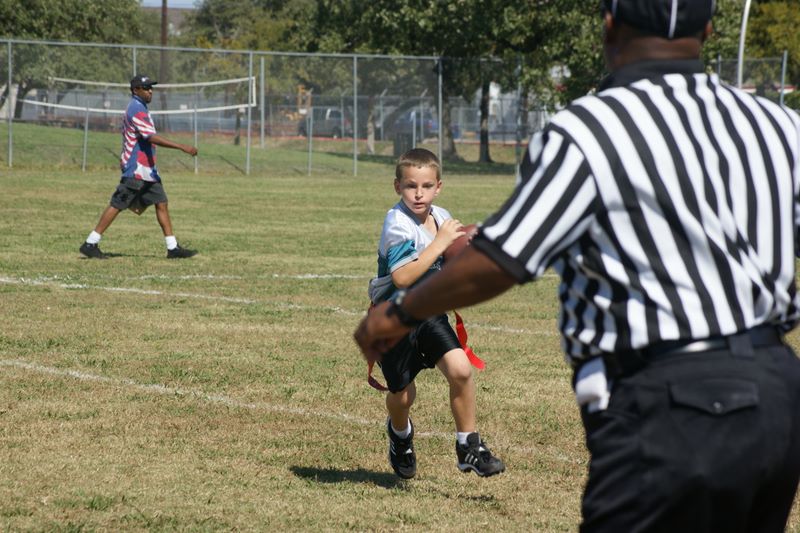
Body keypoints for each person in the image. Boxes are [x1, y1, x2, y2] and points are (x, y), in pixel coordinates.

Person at [355, 1, 800, 531]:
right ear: (707, 29)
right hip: (778, 393)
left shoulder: (590, 128)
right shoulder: (780, 125)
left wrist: (398, 313)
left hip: (664, 392)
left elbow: (502, 259)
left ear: (609, 27)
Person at [367, 147, 505, 479]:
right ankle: (400, 435)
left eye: (427, 186)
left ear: (438, 187)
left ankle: (468, 446)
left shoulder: (442, 217)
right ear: (397, 186)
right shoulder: (397, 223)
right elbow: (402, 277)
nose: (419, 193)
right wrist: (441, 244)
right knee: (402, 396)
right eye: (411, 185)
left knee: (460, 370)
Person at [79, 74, 198, 259]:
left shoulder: (141, 107)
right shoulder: (136, 108)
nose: (150, 91)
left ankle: (172, 248)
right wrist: (181, 146)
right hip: (136, 168)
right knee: (118, 203)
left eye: (151, 88)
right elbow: (150, 137)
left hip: (148, 169)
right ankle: (90, 243)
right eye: (146, 88)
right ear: (135, 90)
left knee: (161, 203)